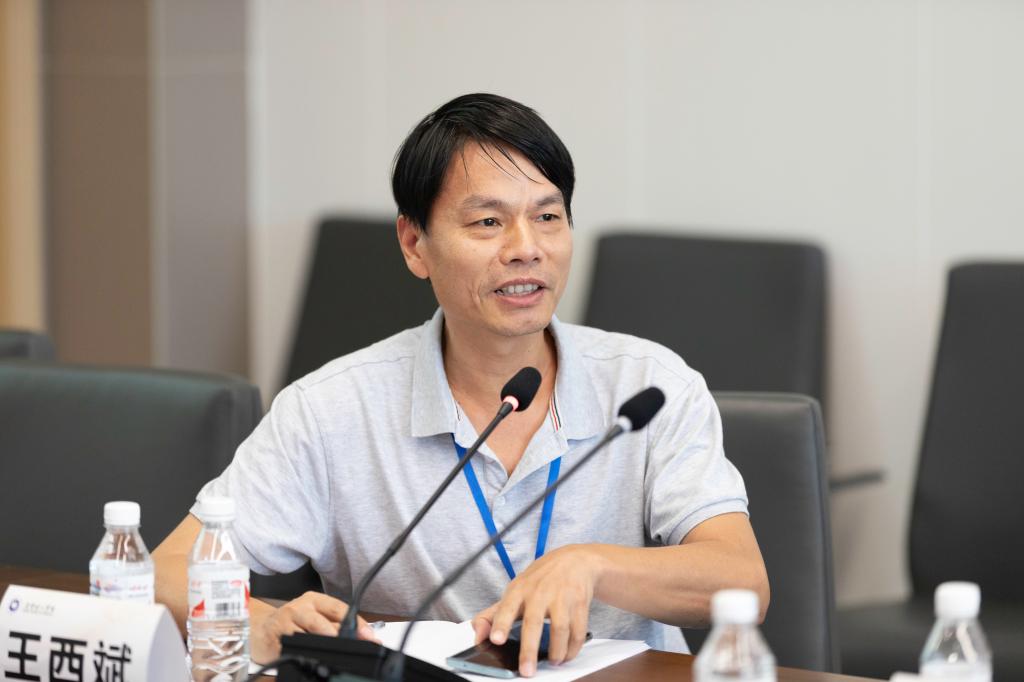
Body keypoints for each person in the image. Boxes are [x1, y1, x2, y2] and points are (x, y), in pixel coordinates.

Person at [153, 93, 769, 677]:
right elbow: (165, 571)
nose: (526, 248)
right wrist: (260, 621)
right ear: (414, 244)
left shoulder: (647, 389)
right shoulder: (332, 409)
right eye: (487, 222)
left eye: (548, 217)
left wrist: (592, 566)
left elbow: (741, 579)